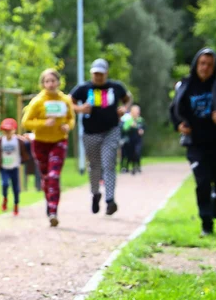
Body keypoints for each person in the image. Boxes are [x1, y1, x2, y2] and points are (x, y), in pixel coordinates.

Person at [169, 48, 216, 236]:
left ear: (215, 67)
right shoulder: (184, 86)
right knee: (202, 182)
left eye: (210, 65)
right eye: (202, 63)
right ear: (196, 64)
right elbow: (173, 111)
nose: (205, 68)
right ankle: (206, 223)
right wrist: (179, 125)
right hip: (195, 144)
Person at [70, 58, 131, 216]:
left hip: (111, 130)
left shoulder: (115, 87)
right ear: (91, 74)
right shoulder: (83, 88)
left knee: (109, 163)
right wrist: (79, 109)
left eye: (101, 74)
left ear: (106, 74)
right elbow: (69, 101)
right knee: (94, 166)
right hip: (90, 133)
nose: (98, 77)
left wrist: (124, 108)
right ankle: (95, 193)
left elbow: (128, 98)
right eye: (95, 74)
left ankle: (110, 200)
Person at [21, 69, 75, 227]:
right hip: (40, 143)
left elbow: (71, 119)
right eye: (47, 81)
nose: (50, 84)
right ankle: (49, 203)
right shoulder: (38, 101)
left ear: (58, 82)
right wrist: (44, 123)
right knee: (46, 177)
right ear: (43, 84)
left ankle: (53, 210)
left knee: (54, 176)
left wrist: (67, 126)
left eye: (53, 80)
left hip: (59, 141)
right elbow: (26, 122)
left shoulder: (65, 100)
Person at [0, 118, 24, 215]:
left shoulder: (18, 140)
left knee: (16, 188)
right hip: (4, 168)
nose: (7, 132)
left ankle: (16, 205)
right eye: (5, 130)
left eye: (9, 130)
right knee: (5, 184)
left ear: (14, 130)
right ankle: (5, 198)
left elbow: (29, 147)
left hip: (14, 167)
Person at [121, 104, 145, 174]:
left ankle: (137, 166)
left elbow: (143, 127)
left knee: (137, 152)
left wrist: (142, 130)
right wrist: (131, 126)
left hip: (138, 140)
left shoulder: (140, 120)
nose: (136, 113)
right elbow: (124, 129)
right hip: (130, 140)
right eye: (135, 111)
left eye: (137, 112)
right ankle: (130, 167)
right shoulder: (128, 120)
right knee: (130, 154)